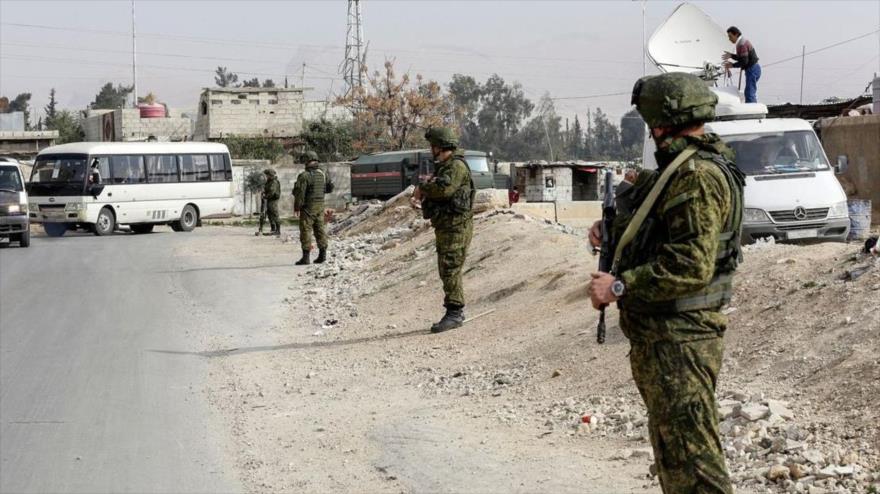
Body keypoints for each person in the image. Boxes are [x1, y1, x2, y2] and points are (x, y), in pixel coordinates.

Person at [588, 72, 745, 494]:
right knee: (674, 457)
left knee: (696, 465)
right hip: (665, 339)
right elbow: (659, 227)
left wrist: (619, 287)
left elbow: (692, 264)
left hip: (682, 339)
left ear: (661, 121)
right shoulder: (678, 168)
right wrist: (612, 230)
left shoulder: (696, 174)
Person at [412, 127, 475, 333]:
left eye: (433, 146)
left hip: (456, 227)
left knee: (450, 268)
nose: (431, 150)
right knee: (447, 268)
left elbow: (445, 189)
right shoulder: (446, 166)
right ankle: (454, 311)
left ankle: (455, 313)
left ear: (439, 147)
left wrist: (423, 189)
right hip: (447, 226)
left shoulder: (456, 166)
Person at [292, 151, 328, 265]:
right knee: (320, 229)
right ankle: (322, 255)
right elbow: (329, 188)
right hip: (320, 205)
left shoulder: (304, 175)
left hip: (308, 207)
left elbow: (300, 194)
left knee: (305, 230)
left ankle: (305, 258)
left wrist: (297, 207)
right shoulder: (323, 174)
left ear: (307, 161)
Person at [722, 26, 761, 103]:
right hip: (753, 69)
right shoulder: (741, 42)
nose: (729, 39)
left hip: (752, 69)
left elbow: (744, 61)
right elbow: (742, 57)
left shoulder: (742, 44)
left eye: (730, 36)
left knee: (749, 93)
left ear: (736, 34)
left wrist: (732, 65)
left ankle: (752, 111)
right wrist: (731, 55)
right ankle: (753, 108)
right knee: (749, 92)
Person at [262, 168, 281, 236]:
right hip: (270, 200)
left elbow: (272, 192)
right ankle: (273, 229)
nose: (266, 176)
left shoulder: (274, 182)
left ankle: (278, 230)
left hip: (273, 200)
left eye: (267, 175)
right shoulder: (269, 181)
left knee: (275, 214)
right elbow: (266, 189)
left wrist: (265, 196)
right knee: (270, 215)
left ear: (270, 175)